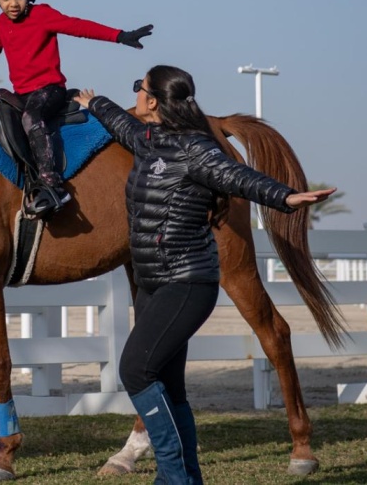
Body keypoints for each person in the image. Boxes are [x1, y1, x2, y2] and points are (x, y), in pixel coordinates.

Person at [74, 65, 335, 485]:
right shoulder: (148, 140)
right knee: (170, 387)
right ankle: (187, 479)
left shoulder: (197, 149)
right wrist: (94, 104)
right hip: (152, 284)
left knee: (135, 371)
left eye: (138, 88)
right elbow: (122, 125)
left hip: (186, 281)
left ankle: (173, 477)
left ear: (154, 100)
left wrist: (284, 196)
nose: (135, 95)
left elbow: (237, 177)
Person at [0, 0, 153, 218]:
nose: (13, 4)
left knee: (32, 116)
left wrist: (120, 36)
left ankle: (54, 186)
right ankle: (24, 179)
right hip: (22, 94)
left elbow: (78, 27)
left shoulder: (42, 15)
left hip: (50, 90)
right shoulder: (1, 24)